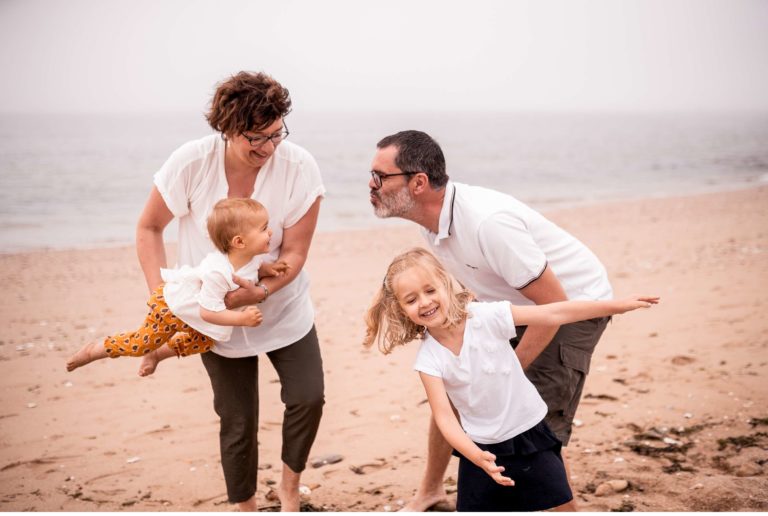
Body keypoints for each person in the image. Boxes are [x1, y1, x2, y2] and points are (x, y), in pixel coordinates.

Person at [368, 130, 615, 511]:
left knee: (533, 424)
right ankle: (430, 492)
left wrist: (507, 370)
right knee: (456, 389)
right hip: (510, 304)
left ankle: (560, 505)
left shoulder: (486, 222)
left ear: (417, 183)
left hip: (570, 308)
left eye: (381, 177)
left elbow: (552, 302)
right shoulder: (430, 223)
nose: (372, 185)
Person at [132, 71, 325, 512]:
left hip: (282, 305)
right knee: (237, 420)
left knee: (308, 397)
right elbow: (149, 227)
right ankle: (245, 506)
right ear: (226, 128)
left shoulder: (299, 167)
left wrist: (258, 291)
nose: (268, 149)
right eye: (255, 138)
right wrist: (162, 300)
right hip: (212, 312)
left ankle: (290, 488)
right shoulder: (191, 163)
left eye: (276, 135)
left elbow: (294, 252)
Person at [364, 248, 658, 512]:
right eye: (412, 299)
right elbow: (444, 418)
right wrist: (475, 455)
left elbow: (554, 311)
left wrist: (616, 305)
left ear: (446, 283)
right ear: (401, 309)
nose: (425, 302)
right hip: (480, 445)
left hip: (528, 430)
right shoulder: (429, 359)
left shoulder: (486, 317)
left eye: (430, 290)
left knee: (561, 504)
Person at [65, 198, 289, 374]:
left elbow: (252, 270)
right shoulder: (217, 272)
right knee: (141, 344)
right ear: (239, 242)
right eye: (264, 228)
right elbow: (208, 312)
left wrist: (267, 270)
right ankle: (97, 349)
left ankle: (159, 354)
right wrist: (241, 319)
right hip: (173, 307)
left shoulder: (252, 256)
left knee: (203, 342)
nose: (270, 232)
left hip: (195, 315)